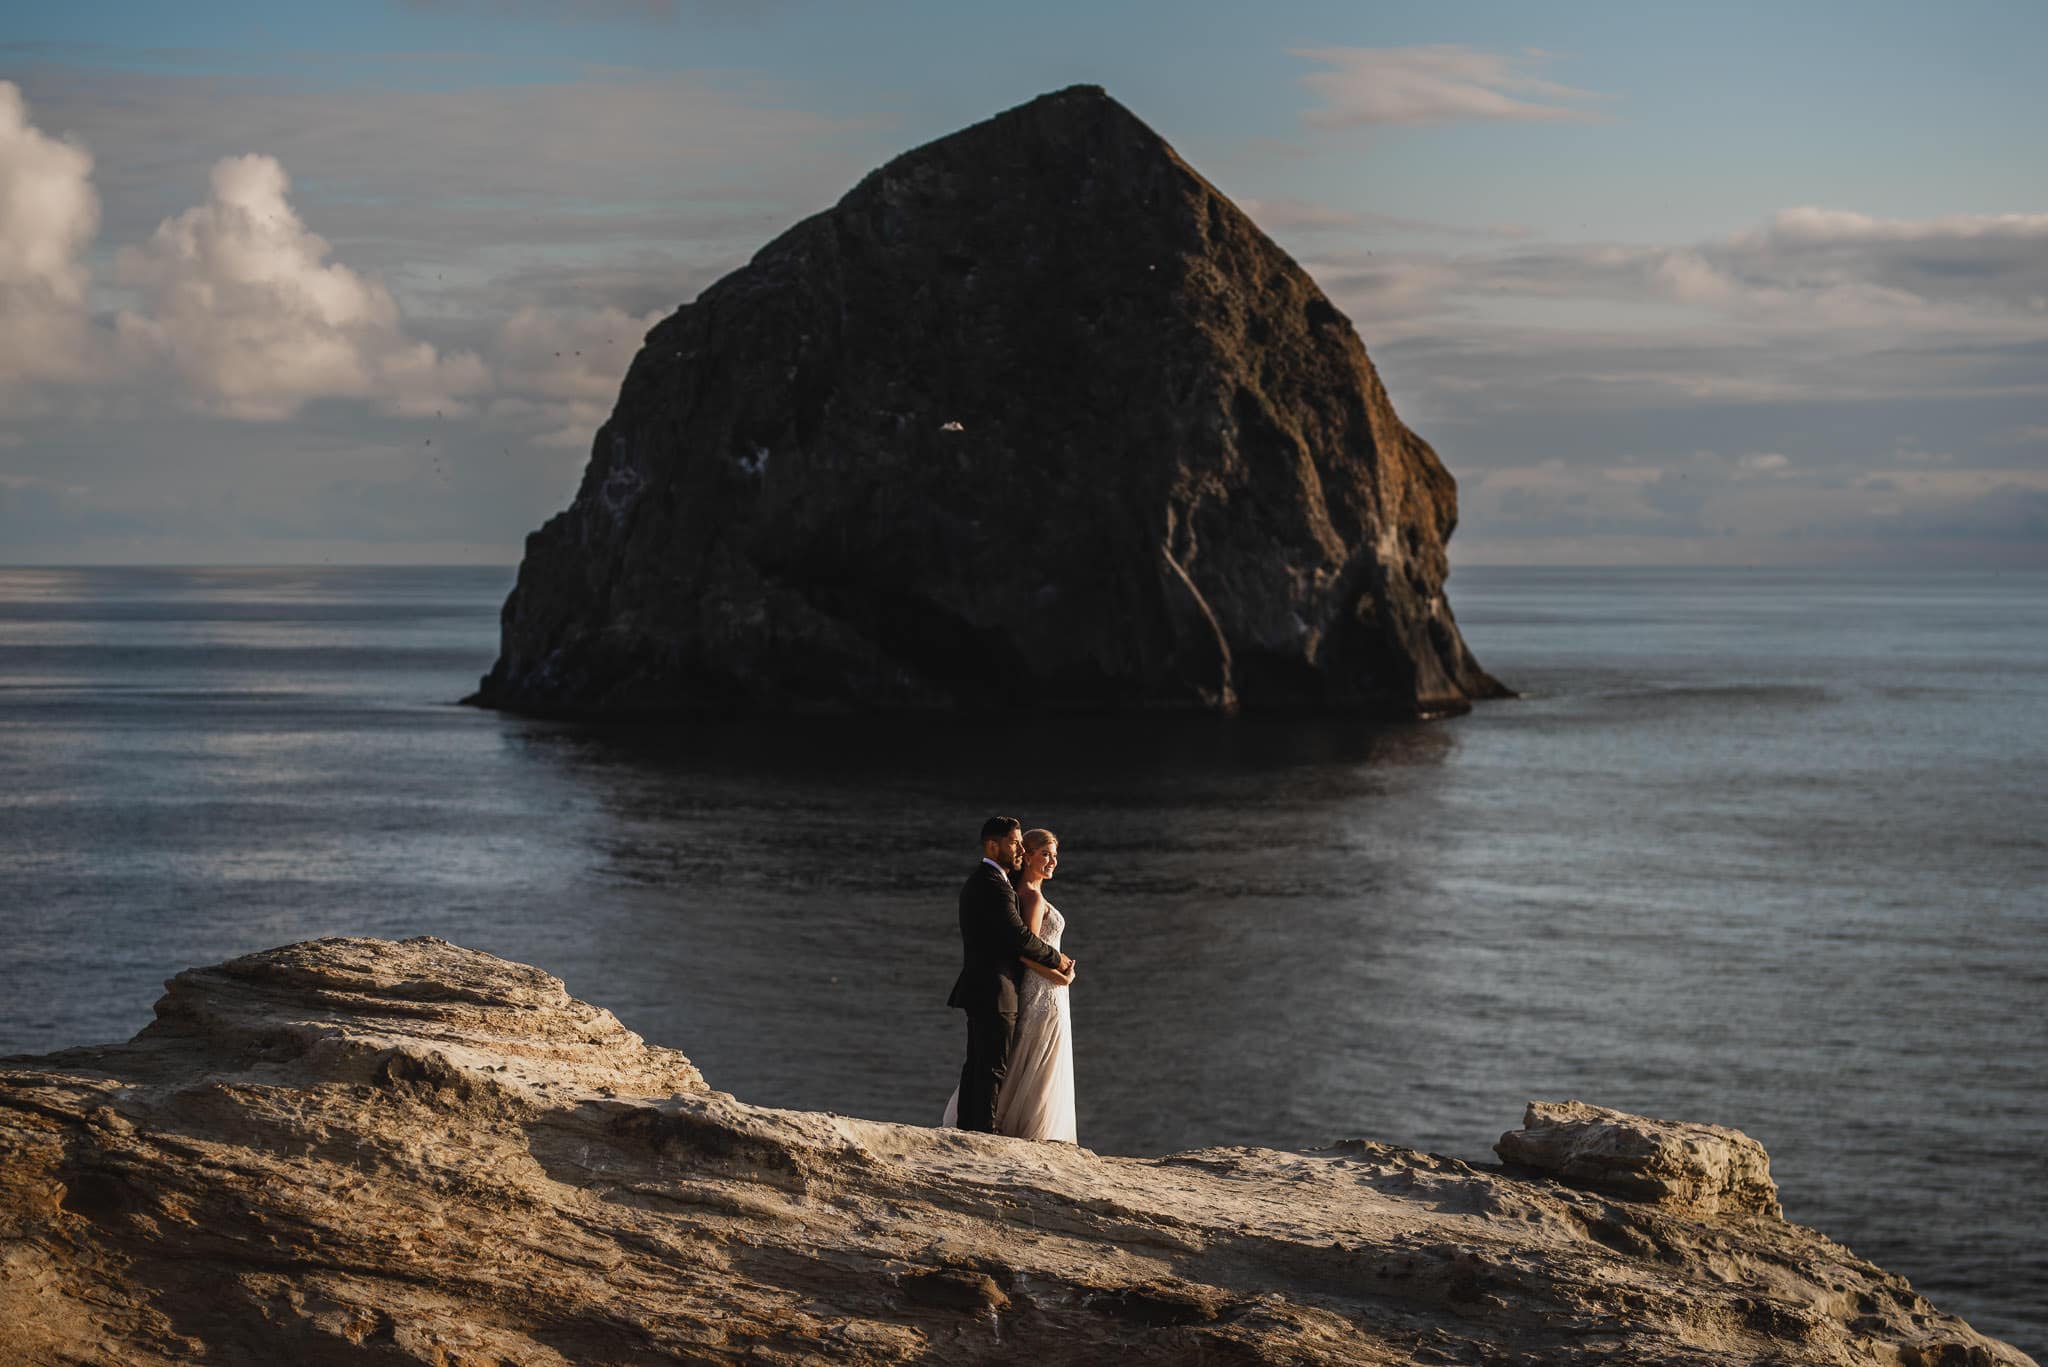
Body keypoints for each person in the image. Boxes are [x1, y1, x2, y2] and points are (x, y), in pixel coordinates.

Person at [943, 816, 1072, 1134]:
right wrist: (1060, 964)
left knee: (982, 1064)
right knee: (993, 1067)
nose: (1017, 850)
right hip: (998, 987)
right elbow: (1022, 941)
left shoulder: (992, 882)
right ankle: (984, 1133)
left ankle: (970, 1129)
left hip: (995, 986)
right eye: (1015, 844)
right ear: (994, 845)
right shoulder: (999, 887)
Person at [987, 827, 1077, 1142]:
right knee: (1037, 1057)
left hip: (1046, 989)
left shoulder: (1027, 892)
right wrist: (1060, 975)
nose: (1052, 861)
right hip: (1043, 991)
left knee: (1033, 1057)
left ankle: (1019, 1126)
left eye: (1055, 855)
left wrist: (1058, 958)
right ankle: (1028, 1131)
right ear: (1027, 856)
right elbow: (1025, 950)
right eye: (1045, 854)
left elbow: (1042, 944)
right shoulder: (1032, 897)